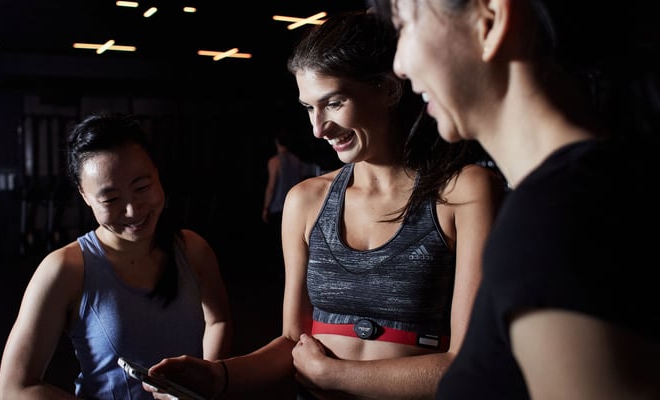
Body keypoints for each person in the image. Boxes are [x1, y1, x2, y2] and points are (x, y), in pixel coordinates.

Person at [142, 11, 503, 400]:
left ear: (387, 89)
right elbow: (292, 343)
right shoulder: (306, 201)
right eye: (308, 108)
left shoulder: (462, 192)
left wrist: (334, 375)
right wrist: (217, 377)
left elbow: (470, 365)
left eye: (333, 103)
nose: (318, 128)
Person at [368, 0, 660, 398]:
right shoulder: (595, 188)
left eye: (404, 26)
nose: (399, 65)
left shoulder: (553, 220)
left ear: (490, 20)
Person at [0, 112, 232, 400]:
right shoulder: (65, 269)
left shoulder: (192, 249)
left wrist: (206, 380)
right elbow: (15, 389)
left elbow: (218, 321)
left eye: (142, 187)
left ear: (157, 174)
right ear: (85, 196)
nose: (133, 210)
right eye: (110, 199)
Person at [262, 127, 315, 273]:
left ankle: (278, 274)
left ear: (277, 142)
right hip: (295, 208)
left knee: (278, 243)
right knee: (293, 244)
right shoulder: (296, 160)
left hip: (277, 207)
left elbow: (271, 186)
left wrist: (266, 207)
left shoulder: (274, 161)